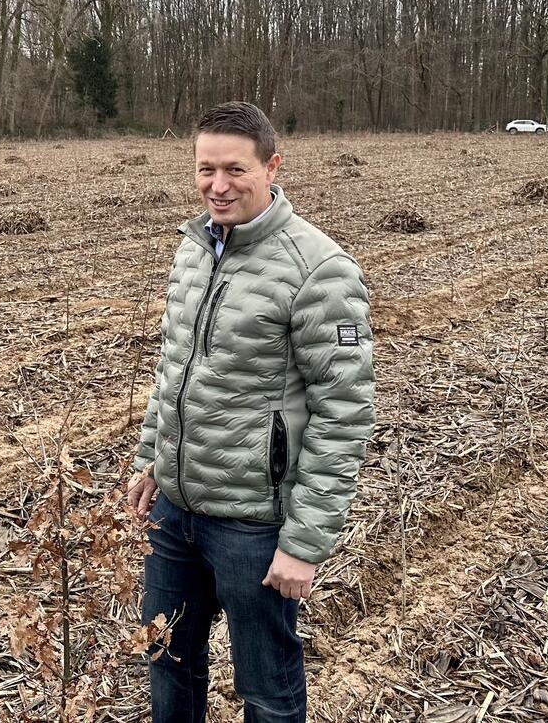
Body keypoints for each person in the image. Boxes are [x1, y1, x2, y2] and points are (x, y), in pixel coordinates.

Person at [126, 101, 376, 723]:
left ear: (272, 167)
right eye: (205, 169)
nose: (217, 185)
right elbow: (173, 370)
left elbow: (343, 414)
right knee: (168, 669)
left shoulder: (319, 269)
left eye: (235, 169)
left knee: (266, 690)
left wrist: (306, 543)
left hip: (253, 526)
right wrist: (149, 459)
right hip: (176, 513)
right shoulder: (193, 250)